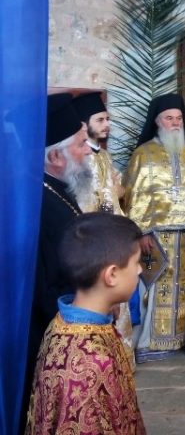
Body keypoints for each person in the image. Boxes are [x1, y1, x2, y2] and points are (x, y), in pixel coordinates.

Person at [122, 93, 185, 363]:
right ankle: (150, 342)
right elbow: (133, 196)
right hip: (155, 239)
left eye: (179, 118)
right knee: (153, 288)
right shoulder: (143, 155)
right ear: (157, 121)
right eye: (169, 118)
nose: (175, 123)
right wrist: (141, 232)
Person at [25, 212, 146, 434]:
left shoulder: (61, 321)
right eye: (136, 262)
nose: (140, 269)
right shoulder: (89, 366)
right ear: (112, 275)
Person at [21, 93, 93, 431]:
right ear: (54, 156)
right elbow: (42, 285)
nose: (89, 150)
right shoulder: (38, 205)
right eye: (81, 143)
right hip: (48, 336)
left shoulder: (56, 189)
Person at [72, 91, 136, 370]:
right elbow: (87, 208)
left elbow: (117, 192)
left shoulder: (104, 156)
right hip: (99, 247)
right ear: (84, 125)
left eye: (107, 119)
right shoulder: (81, 161)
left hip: (115, 242)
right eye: (100, 120)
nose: (107, 124)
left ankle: (119, 367)